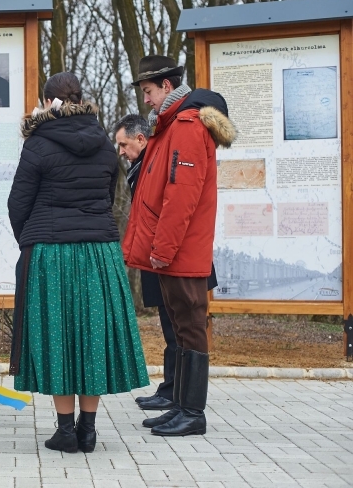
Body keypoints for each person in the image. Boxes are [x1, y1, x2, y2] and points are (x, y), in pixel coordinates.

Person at [8, 72, 149, 454]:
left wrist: (31, 237)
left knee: (57, 336)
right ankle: (88, 431)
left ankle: (65, 431)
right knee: (90, 337)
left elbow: (18, 203)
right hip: (99, 252)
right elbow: (107, 197)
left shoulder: (38, 144)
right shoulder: (106, 145)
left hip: (51, 253)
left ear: (47, 102)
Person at [122, 55, 236, 437]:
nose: (147, 101)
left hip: (181, 255)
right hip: (174, 254)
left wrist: (163, 250)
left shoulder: (186, 127)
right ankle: (181, 407)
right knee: (184, 329)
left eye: (149, 92)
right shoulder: (170, 125)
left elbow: (180, 198)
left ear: (167, 87)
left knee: (190, 328)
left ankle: (193, 413)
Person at [113, 114, 220, 412]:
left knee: (180, 329)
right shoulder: (141, 165)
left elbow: (175, 206)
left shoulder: (158, 161)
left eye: (124, 144)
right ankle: (172, 390)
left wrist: (162, 249)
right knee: (170, 325)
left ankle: (180, 397)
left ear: (140, 139)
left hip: (172, 255)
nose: (121, 151)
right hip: (158, 254)